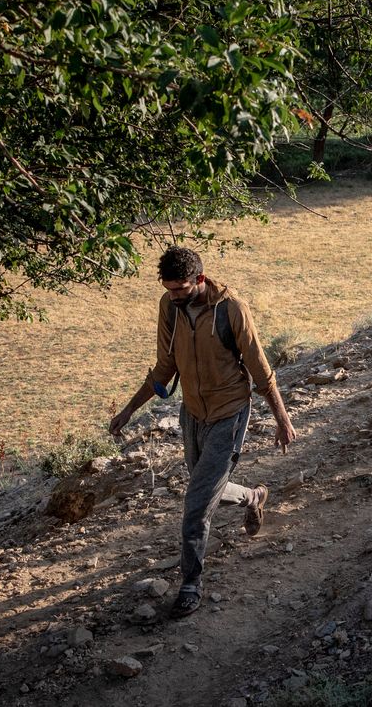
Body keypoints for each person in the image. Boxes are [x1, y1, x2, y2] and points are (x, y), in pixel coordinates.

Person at [109, 246, 296, 618]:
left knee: (196, 507)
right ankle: (253, 496)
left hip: (229, 414)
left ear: (199, 279)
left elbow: (261, 371)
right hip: (192, 413)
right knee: (203, 485)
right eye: (168, 289)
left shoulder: (232, 310)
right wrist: (129, 410)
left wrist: (282, 419)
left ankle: (191, 583)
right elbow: (165, 366)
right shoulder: (169, 307)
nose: (173, 296)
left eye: (180, 289)